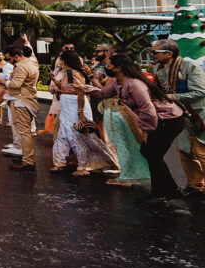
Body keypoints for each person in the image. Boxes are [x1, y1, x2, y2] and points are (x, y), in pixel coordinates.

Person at [92, 52, 184, 204]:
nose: (106, 68)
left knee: (152, 153)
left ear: (118, 68)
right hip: (161, 120)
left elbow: (148, 110)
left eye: (109, 66)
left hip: (171, 120)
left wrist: (145, 131)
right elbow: (103, 93)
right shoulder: (118, 82)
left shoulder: (135, 84)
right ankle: (171, 190)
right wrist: (83, 87)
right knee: (151, 153)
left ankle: (160, 193)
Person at [150, 39, 205, 200]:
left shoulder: (189, 67)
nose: (152, 55)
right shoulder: (158, 68)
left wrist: (171, 97)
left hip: (199, 114)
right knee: (184, 150)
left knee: (201, 151)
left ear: (169, 53)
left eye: (155, 52)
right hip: (179, 115)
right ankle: (195, 185)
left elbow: (200, 91)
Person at [49, 50, 117, 176]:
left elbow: (80, 91)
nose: (59, 62)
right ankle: (60, 162)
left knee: (76, 135)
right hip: (67, 104)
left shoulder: (72, 73)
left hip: (74, 104)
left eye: (61, 60)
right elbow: (66, 87)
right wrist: (55, 80)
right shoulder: (68, 73)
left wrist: (80, 112)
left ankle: (83, 166)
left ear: (65, 61)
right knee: (64, 133)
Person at [6, 45, 40, 170]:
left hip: (21, 101)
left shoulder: (22, 66)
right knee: (25, 131)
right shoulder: (32, 64)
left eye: (10, 59)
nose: (9, 62)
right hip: (26, 100)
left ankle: (28, 161)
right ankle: (27, 157)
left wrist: (2, 82)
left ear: (16, 57)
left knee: (24, 132)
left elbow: (15, 84)